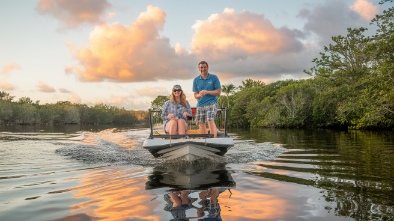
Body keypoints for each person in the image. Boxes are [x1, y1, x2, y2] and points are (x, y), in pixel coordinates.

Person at [192, 61, 222, 138]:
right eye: (201, 67)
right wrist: (200, 95)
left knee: (210, 120)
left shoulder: (214, 77)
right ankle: (203, 140)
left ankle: (213, 140)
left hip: (211, 103)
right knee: (201, 124)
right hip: (200, 104)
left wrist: (207, 92)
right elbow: (195, 95)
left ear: (207, 68)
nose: (203, 69)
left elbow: (218, 92)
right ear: (199, 68)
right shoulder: (196, 80)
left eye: (205, 67)